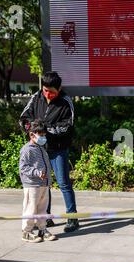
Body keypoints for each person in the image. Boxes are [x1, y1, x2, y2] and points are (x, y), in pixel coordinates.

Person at [20, 72, 80, 233]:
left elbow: (68, 125)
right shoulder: (36, 97)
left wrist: (45, 131)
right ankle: (45, 217)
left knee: (63, 183)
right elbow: (24, 117)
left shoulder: (66, 102)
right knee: (43, 184)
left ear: (59, 89)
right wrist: (31, 128)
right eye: (45, 90)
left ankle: (72, 218)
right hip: (39, 150)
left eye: (52, 91)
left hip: (58, 149)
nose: (48, 94)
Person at [19, 120, 57, 243]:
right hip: (32, 184)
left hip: (44, 184)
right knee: (30, 208)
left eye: (44, 134)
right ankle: (27, 232)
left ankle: (42, 229)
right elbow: (23, 167)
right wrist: (36, 172)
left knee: (42, 209)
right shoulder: (27, 149)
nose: (43, 137)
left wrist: (48, 179)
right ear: (32, 135)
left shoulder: (41, 148)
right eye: (41, 134)